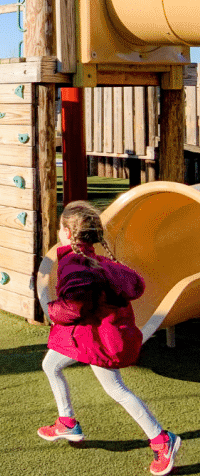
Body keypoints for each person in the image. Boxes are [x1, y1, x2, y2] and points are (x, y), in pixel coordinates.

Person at [38, 200, 180, 476]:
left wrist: (52, 310)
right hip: (97, 335)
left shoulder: (75, 264)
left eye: (59, 228)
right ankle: (67, 423)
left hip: (98, 340)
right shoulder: (101, 263)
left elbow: (75, 305)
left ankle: (162, 440)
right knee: (51, 364)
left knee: (116, 389)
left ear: (67, 233)